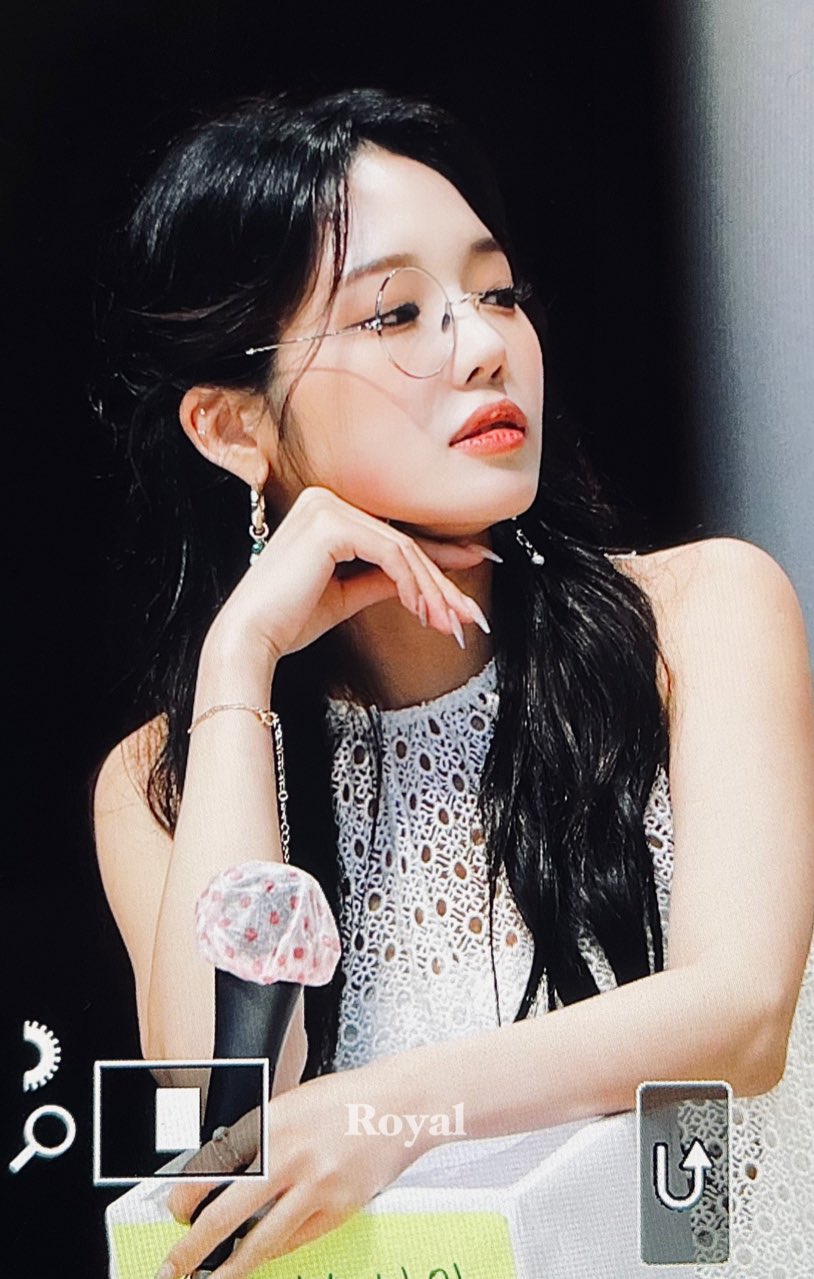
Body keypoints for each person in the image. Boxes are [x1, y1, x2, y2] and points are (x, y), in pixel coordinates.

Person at [93, 89, 814, 1279]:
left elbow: (738, 1018)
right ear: (231, 427)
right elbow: (222, 1120)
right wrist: (239, 664)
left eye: (496, 293)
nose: (483, 346)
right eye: (395, 313)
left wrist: (384, 1113)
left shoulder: (699, 615)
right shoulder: (157, 782)